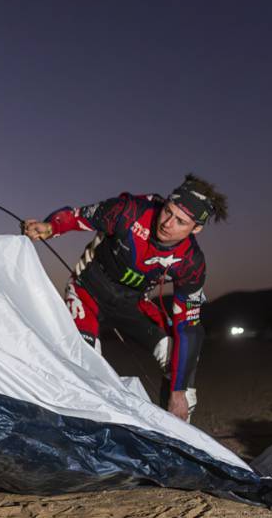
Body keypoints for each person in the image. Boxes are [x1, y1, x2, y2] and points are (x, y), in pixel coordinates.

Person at [22, 174, 227, 422]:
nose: (167, 223)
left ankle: (174, 437)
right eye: (167, 211)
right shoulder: (131, 211)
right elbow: (78, 216)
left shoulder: (191, 262)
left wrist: (178, 392)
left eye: (180, 222)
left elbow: (188, 327)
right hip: (88, 290)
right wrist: (50, 227)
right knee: (82, 368)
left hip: (131, 303)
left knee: (182, 370)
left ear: (196, 229)